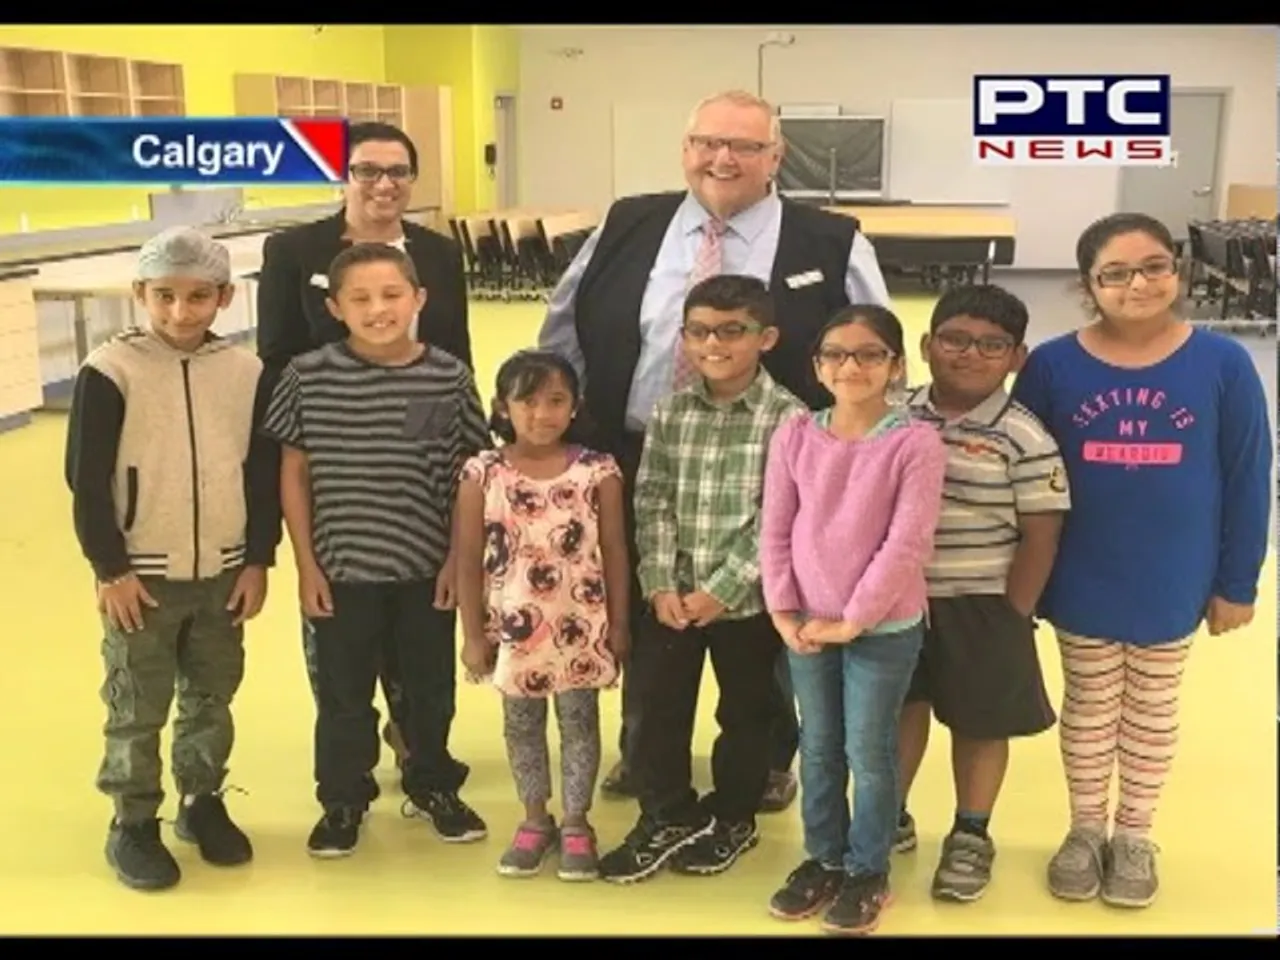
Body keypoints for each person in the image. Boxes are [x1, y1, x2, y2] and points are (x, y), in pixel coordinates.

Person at [538, 89, 892, 807]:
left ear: (776, 157)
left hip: (779, 467)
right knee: (648, 608)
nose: (722, 159)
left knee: (763, 623)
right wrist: (555, 422)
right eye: (706, 142)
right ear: (685, 147)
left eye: (745, 147)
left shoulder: (830, 240)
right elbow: (563, 329)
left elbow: (871, 344)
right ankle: (647, 749)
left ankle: (762, 757)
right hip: (642, 454)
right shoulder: (628, 222)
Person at [1010, 212, 1272, 909]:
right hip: (1081, 571)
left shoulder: (1224, 364)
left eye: (1154, 265)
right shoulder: (1052, 365)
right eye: (1116, 272)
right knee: (1091, 705)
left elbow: (1249, 476)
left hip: (1173, 574)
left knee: (1153, 708)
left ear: (1178, 270)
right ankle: (1085, 828)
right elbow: (1021, 473)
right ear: (1089, 285)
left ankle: (1135, 833)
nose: (1138, 283)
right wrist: (1022, 582)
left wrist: (1236, 582)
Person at [65, 226, 281, 891]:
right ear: (140, 293)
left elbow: (262, 475)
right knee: (137, 701)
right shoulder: (110, 370)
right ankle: (132, 820)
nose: (180, 312)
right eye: (163, 296)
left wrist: (256, 561)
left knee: (212, 695)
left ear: (222, 297)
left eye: (197, 297)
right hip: (142, 575)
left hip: (223, 570)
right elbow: (86, 479)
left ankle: (202, 799)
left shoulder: (246, 372)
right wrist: (111, 569)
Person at [256, 120, 473, 774]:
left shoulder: (435, 252)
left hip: (418, 446)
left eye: (398, 172)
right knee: (345, 625)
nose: (384, 184)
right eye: (367, 170)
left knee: (417, 624)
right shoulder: (296, 249)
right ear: (344, 177)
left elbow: (454, 346)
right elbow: (275, 351)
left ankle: (418, 746)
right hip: (333, 441)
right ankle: (349, 759)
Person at [261, 242, 489, 858]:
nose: (378, 308)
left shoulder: (448, 375)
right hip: (342, 571)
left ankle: (433, 782)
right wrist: (306, 565)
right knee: (342, 695)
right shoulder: (308, 376)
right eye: (359, 298)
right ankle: (343, 798)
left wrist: (454, 564)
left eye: (391, 295)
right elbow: (293, 471)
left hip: (425, 571)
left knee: (429, 690)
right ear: (335, 307)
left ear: (418, 299)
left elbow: (471, 474)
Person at [597, 275, 807, 884]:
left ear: (765, 337)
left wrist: (721, 590)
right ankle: (667, 814)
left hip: (744, 602)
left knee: (747, 714)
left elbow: (782, 517)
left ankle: (733, 817)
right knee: (656, 709)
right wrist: (661, 583)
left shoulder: (790, 419)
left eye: (731, 331)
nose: (713, 343)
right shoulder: (671, 412)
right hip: (670, 599)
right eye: (699, 331)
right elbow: (653, 497)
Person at [761, 305, 947, 936]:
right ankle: (823, 858)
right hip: (807, 624)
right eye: (836, 353)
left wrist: (856, 619)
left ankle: (868, 868)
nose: (852, 365)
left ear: (896, 365)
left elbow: (907, 542)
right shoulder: (794, 433)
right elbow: (776, 527)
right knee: (817, 748)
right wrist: (783, 610)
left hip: (884, 627)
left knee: (869, 752)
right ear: (817, 367)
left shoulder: (914, 441)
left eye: (869, 353)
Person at [894, 285, 1068, 903]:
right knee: (898, 710)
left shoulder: (1023, 435)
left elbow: (1041, 535)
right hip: (894, 603)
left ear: (1017, 357)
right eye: (955, 340)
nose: (970, 356)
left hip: (982, 604)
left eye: (992, 345)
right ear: (926, 346)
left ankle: (970, 832)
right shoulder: (895, 412)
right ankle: (891, 813)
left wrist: (1011, 614)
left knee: (980, 721)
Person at [455, 350, 631, 882]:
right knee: (521, 726)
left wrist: (620, 625)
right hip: (512, 632)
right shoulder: (482, 472)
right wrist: (471, 635)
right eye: (527, 401)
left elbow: (617, 552)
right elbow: (466, 558)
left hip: (581, 624)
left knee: (580, 723)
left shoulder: (598, 471)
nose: (541, 414)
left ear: (575, 406)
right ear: (502, 407)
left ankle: (577, 820)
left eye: (555, 400)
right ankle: (535, 817)